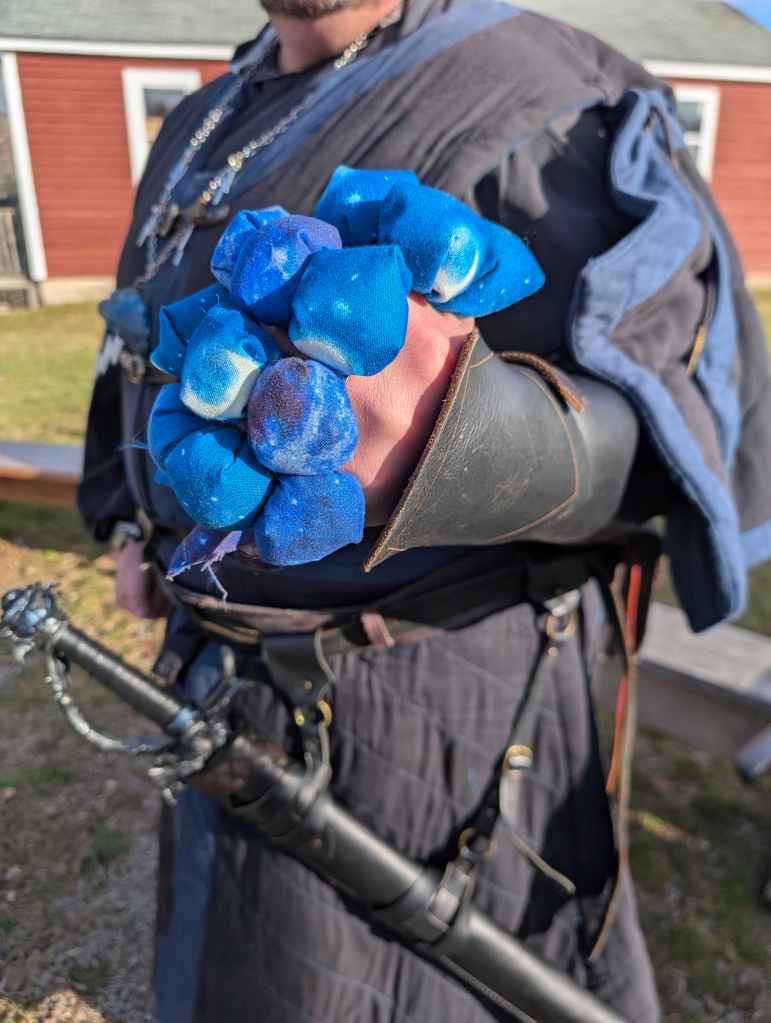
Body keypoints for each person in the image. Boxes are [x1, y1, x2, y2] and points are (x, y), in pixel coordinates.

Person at [77, 1, 771, 1021]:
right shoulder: (209, 112)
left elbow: (676, 437)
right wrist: (129, 520)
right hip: (217, 659)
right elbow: (132, 338)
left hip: (431, 687)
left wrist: (461, 439)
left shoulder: (540, 96)